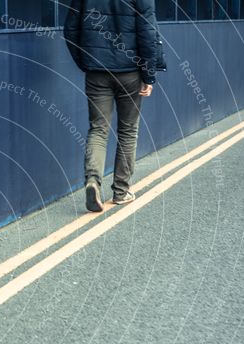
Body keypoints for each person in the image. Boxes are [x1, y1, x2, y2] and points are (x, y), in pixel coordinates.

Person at [63, 0, 164, 212]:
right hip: (130, 72)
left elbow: (71, 28)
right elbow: (148, 33)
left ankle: (93, 180)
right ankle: (121, 191)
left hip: (97, 72)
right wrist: (149, 76)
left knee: (98, 128)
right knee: (128, 131)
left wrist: (86, 62)